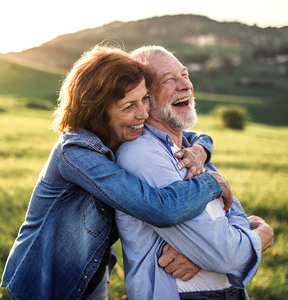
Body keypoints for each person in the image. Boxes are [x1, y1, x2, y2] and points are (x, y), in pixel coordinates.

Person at [0, 45, 234, 300]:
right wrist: (212, 183)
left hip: (92, 276)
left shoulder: (118, 133)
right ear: (98, 111)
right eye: (128, 106)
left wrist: (201, 149)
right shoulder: (76, 154)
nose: (144, 113)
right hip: (46, 283)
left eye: (144, 98)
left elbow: (188, 135)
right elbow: (158, 208)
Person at [115, 46, 274, 300]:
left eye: (185, 74)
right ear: (145, 97)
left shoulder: (193, 151)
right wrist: (263, 235)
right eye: (168, 79)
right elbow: (224, 254)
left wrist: (205, 255)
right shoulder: (141, 154)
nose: (185, 85)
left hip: (230, 292)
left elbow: (234, 217)